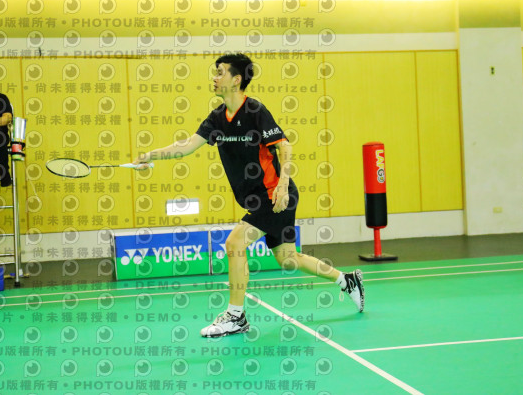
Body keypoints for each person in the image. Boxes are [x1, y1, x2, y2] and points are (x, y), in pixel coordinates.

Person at [133, 53, 364, 338]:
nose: (214, 78)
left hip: (274, 195)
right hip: (259, 199)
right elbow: (187, 145)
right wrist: (150, 155)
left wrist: (282, 185)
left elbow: (284, 145)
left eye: (220, 72)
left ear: (236, 79)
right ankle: (347, 280)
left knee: (235, 242)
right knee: (288, 258)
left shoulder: (255, 111)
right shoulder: (217, 118)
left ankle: (236, 316)